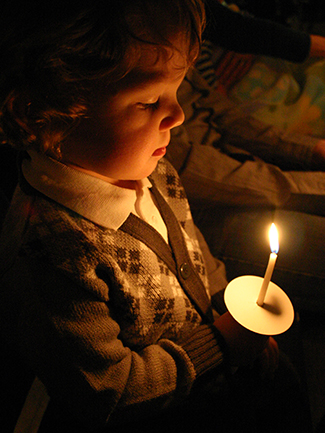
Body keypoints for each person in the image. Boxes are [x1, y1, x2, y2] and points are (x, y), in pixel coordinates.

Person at [0, 1, 313, 432]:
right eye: (149, 101)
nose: (179, 115)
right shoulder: (51, 256)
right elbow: (108, 391)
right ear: (51, 114)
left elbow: (193, 249)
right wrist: (220, 344)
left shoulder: (154, 168)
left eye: (178, 90)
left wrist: (230, 308)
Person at [166, 1, 325, 312]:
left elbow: (224, 115)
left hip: (236, 174)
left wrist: (312, 150)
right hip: (204, 209)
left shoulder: (172, 22)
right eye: (148, 103)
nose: (174, 114)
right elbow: (189, 170)